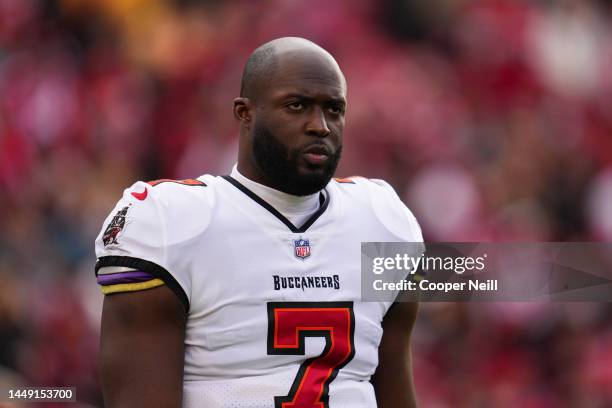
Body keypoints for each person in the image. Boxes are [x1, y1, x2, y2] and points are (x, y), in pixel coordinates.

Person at [95, 37, 422, 408]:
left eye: (334, 109)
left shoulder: (383, 217)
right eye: (296, 105)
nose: (320, 126)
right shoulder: (170, 220)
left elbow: (395, 382)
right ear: (244, 113)